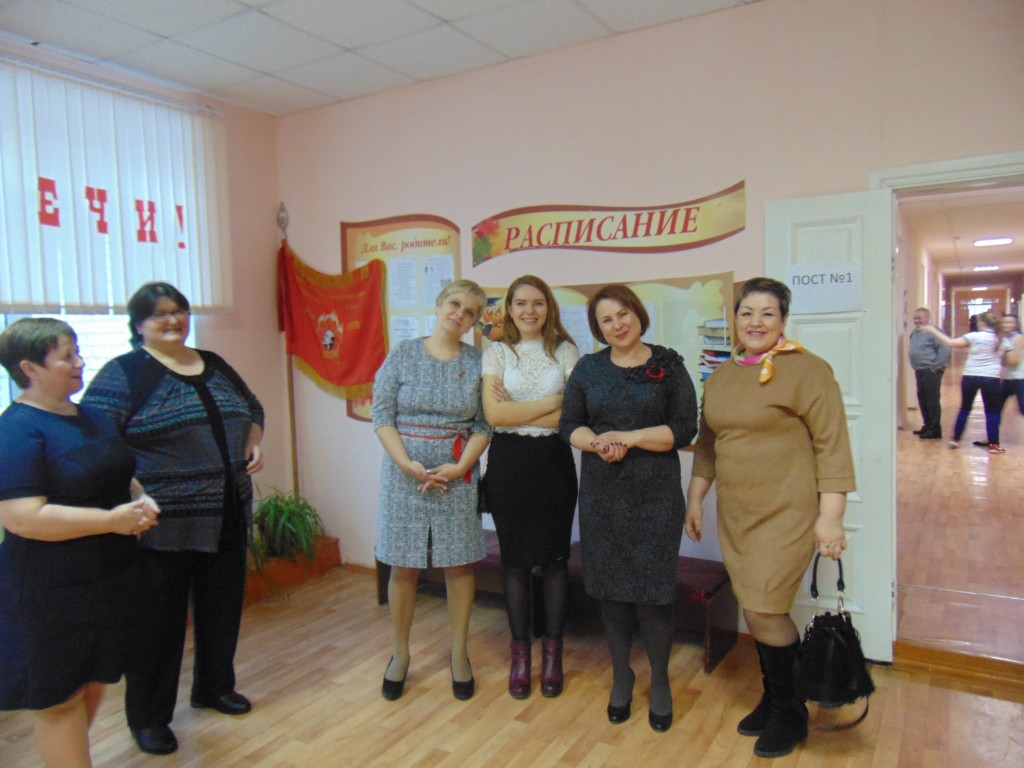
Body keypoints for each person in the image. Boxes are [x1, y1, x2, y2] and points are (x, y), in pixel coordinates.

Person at [82, 282, 265, 755]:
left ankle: (214, 688)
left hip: (227, 511)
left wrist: (253, 440)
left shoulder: (214, 363)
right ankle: (149, 718)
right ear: (138, 324)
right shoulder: (125, 373)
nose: (173, 320)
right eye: (160, 314)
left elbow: (252, 407)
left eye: (179, 310)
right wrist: (132, 491)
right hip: (163, 524)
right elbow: (95, 441)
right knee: (157, 627)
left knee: (221, 611)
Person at [685, 277, 855, 759]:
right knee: (755, 606)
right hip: (737, 512)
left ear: (783, 320)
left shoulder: (808, 370)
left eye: (767, 313)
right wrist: (696, 499)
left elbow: (832, 446)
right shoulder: (722, 375)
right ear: (734, 319)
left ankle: (791, 710)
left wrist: (831, 517)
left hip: (787, 510)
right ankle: (776, 697)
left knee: (764, 609)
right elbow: (708, 444)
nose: (756, 322)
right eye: (747, 313)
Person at [0, 318, 160, 768]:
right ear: (29, 368)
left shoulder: (91, 415)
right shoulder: (16, 430)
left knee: (94, 679)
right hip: (51, 589)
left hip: (110, 577)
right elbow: (23, 517)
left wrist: (140, 499)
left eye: (77, 352)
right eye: (66, 357)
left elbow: (117, 472)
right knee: (60, 699)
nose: (79, 363)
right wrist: (110, 521)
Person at [559, 284, 698, 733]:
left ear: (638, 314)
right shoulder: (588, 368)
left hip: (656, 495)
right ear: (597, 328)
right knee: (612, 591)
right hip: (603, 494)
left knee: (654, 592)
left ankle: (660, 681)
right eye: (606, 320)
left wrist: (632, 437)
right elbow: (569, 425)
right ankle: (622, 675)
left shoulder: (668, 365)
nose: (617, 325)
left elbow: (685, 428)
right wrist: (598, 443)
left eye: (623, 314)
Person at [372, 279, 491, 702]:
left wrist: (461, 467)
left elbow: (485, 423)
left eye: (470, 311)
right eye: (454, 304)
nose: (460, 314)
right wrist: (405, 462)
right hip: (403, 476)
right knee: (403, 565)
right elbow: (382, 414)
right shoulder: (403, 354)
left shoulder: (479, 362)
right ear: (439, 305)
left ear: (474, 322)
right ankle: (400, 654)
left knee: (458, 565)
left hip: (456, 477)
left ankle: (459, 654)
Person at [481, 275, 580, 699]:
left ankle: (553, 655)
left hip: (554, 465)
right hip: (509, 466)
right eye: (520, 303)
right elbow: (495, 416)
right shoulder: (496, 352)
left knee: (556, 562)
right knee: (515, 563)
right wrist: (555, 401)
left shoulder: (566, 350)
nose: (529, 311)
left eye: (537, 302)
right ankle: (520, 655)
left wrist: (519, 409)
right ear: (509, 308)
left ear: (548, 307)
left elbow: (574, 415)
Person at [918, 311, 1009, 453]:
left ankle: (955, 439)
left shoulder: (974, 336)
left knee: (965, 408)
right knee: (992, 412)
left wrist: (932, 330)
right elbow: (1007, 360)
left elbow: (951, 343)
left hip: (970, 376)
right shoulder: (1002, 339)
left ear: (982, 323)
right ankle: (993, 445)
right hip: (991, 377)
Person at [908, 307, 950, 439]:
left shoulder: (934, 332)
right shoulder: (915, 332)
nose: (917, 320)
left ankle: (935, 430)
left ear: (927, 318)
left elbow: (945, 349)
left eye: (919, 318)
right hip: (920, 370)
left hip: (931, 371)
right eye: (915, 318)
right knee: (923, 399)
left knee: (932, 400)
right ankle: (928, 425)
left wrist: (936, 366)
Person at [999, 314, 1024, 418]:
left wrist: (1004, 352)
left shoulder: (1018, 338)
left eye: (1010, 322)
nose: (1006, 325)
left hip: (1020, 379)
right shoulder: (1003, 338)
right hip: (1007, 378)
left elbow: (1014, 362)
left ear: (1016, 325)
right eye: (1004, 322)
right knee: (996, 408)